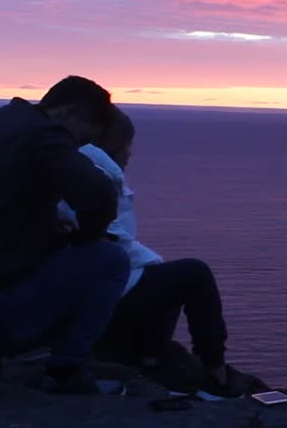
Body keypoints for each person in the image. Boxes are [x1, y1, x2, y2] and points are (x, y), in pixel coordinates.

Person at [0, 76, 130, 395]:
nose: (74, 149)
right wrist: (85, 238)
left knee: (61, 248)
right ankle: (66, 373)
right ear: (66, 112)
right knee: (109, 260)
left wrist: (46, 225)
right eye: (80, 139)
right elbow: (99, 195)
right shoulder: (43, 133)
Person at [61, 107, 252, 400]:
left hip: (75, 289)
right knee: (193, 275)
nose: (130, 155)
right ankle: (216, 374)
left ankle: (148, 358)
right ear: (113, 145)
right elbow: (109, 238)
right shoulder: (97, 174)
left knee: (163, 275)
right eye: (127, 146)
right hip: (96, 290)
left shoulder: (66, 165)